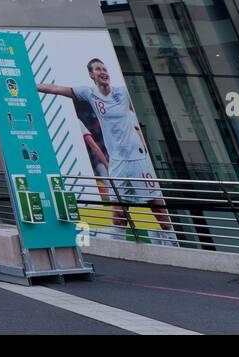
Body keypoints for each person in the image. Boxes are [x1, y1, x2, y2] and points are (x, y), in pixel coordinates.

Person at [38, 57, 175, 243]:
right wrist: (32, 85)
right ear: (91, 75)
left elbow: (136, 123)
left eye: (104, 68)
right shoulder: (89, 93)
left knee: (157, 206)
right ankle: (118, 248)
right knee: (118, 210)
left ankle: (172, 243)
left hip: (138, 161)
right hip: (118, 163)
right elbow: (57, 89)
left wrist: (143, 146)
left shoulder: (123, 93)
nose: (103, 72)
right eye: (97, 69)